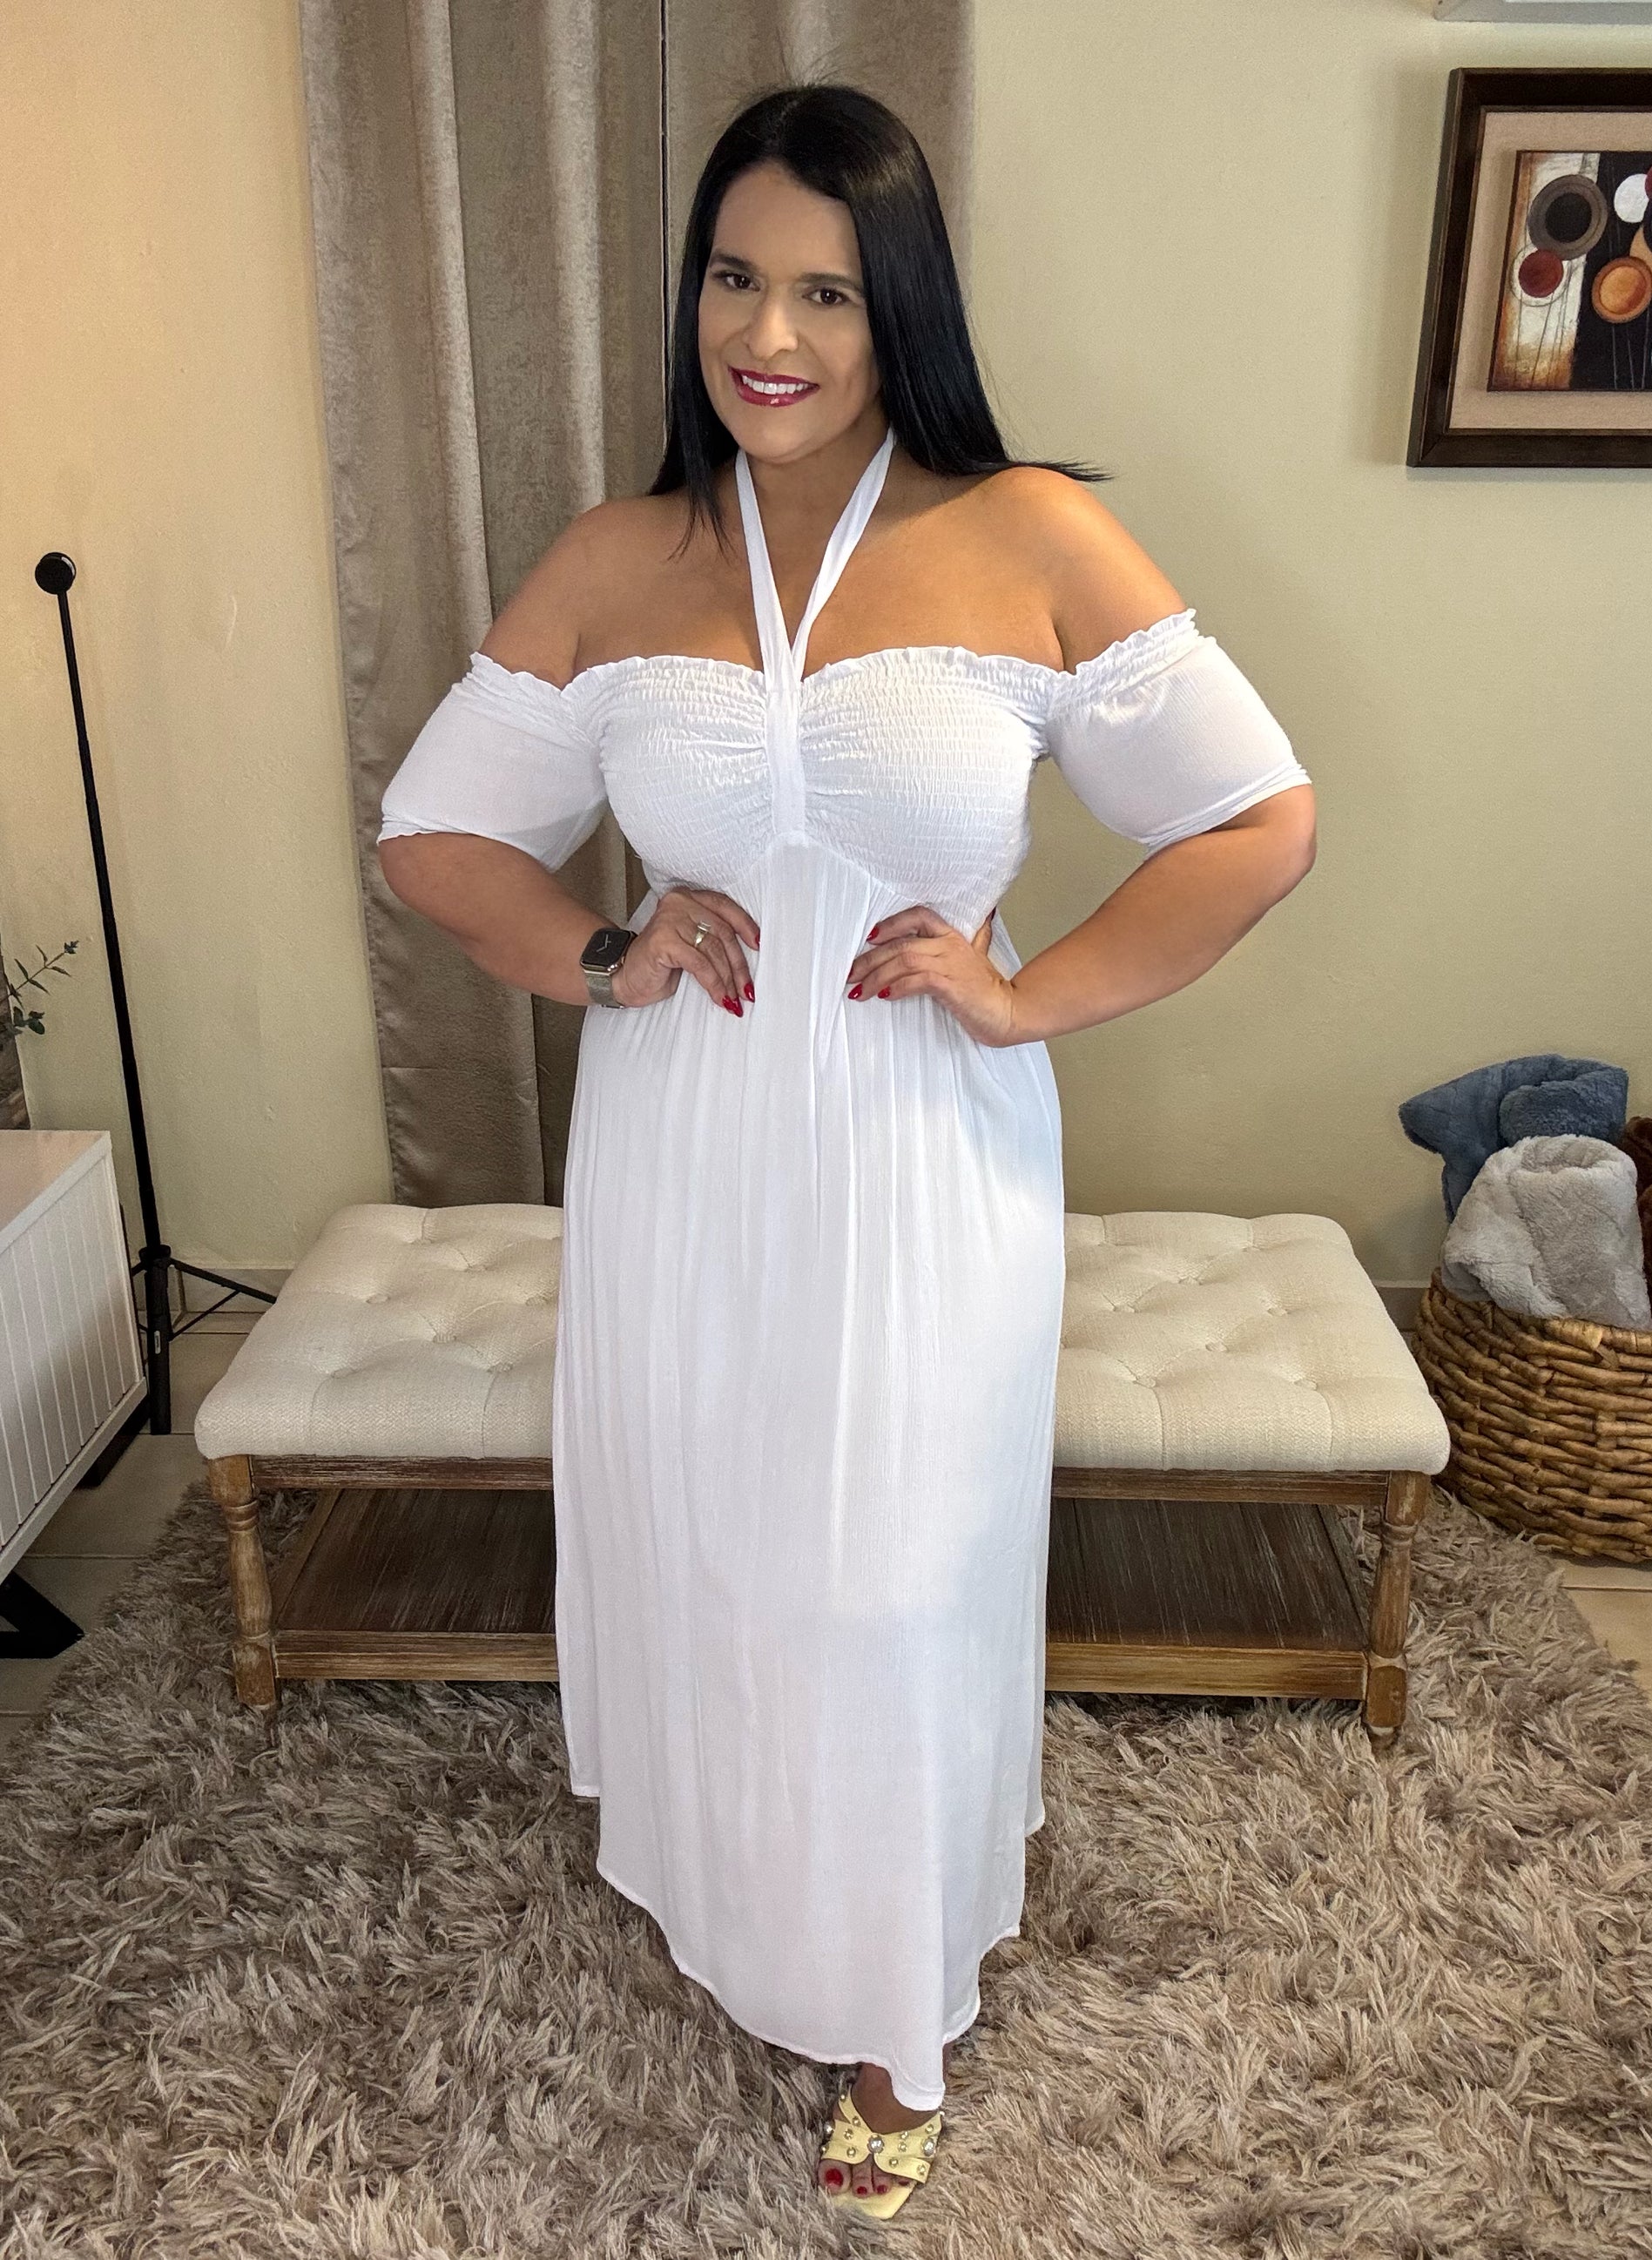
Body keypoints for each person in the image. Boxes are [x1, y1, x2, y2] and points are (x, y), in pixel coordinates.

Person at [375, 82, 1314, 2222]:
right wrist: (600, 947)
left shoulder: (1031, 533)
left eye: (824, 290)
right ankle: (739, 1880)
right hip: (685, 1147)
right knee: (717, 1543)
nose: (767, 333)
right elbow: (433, 831)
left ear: (901, 309)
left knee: (894, 1574)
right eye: (734, 277)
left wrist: (1031, 990)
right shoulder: (620, 557)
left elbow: (1254, 818)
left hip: (919, 1161)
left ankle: (895, 2007)